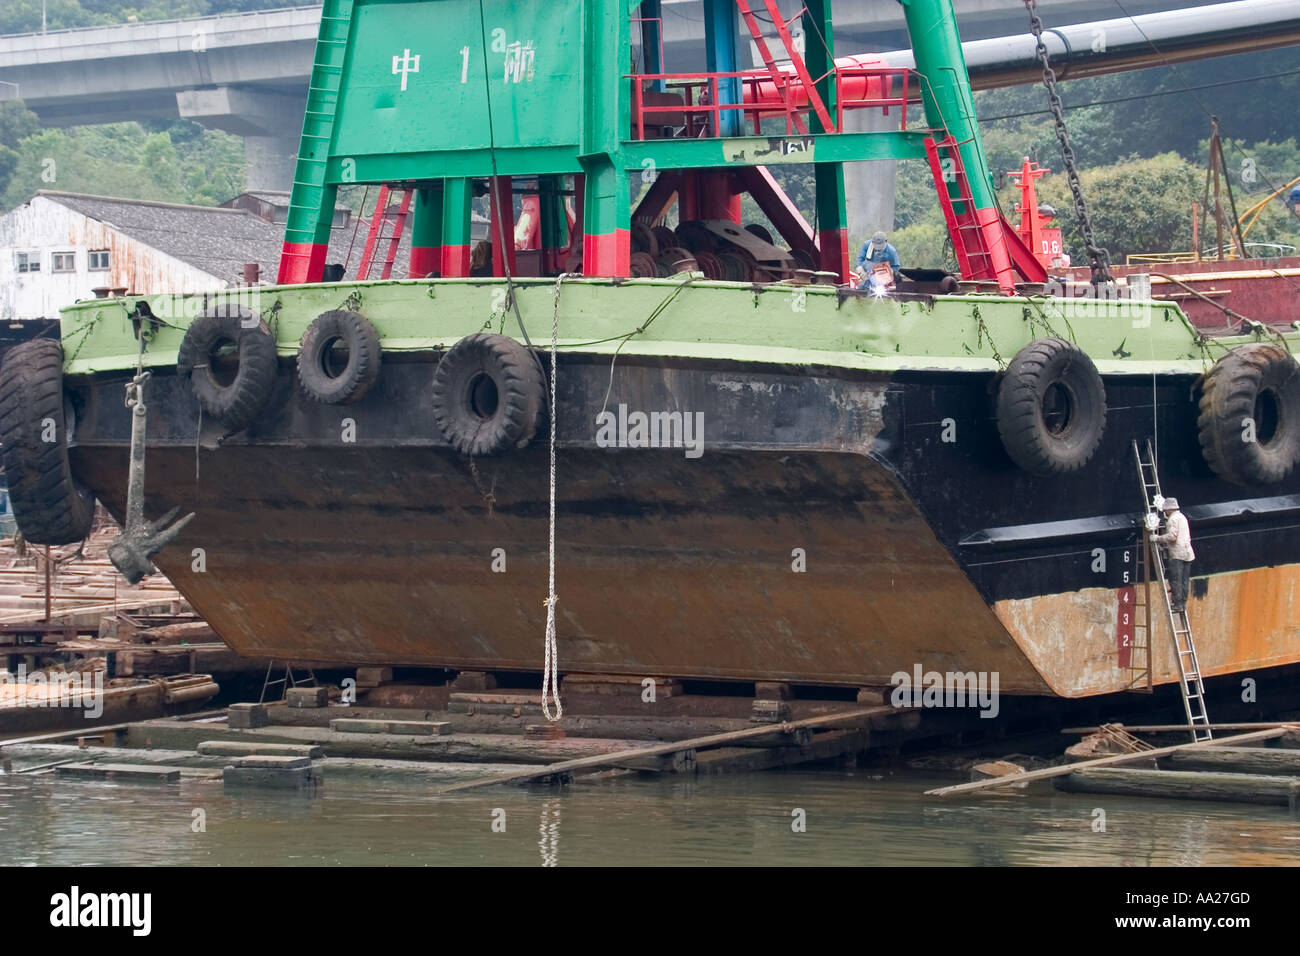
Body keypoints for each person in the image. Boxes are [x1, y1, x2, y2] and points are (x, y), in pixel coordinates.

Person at [1152, 496, 1195, 613]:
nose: (1164, 512)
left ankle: (1177, 604)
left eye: (1165, 509)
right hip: (1188, 553)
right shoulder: (1182, 517)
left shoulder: (1172, 520)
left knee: (1175, 579)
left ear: (1170, 509)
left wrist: (1157, 538)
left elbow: (1172, 536)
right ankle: (1183, 603)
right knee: (1185, 580)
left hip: (1177, 554)